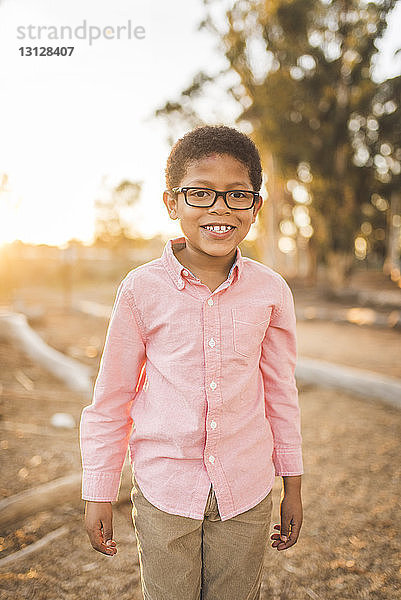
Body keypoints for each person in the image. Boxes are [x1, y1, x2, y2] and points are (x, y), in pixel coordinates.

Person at [80, 125, 304, 600]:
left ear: (256, 206)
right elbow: (112, 396)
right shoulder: (141, 289)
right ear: (171, 203)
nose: (219, 208)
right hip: (165, 491)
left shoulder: (270, 291)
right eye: (200, 193)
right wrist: (98, 488)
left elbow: (281, 392)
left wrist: (293, 484)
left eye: (236, 195)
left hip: (246, 491)